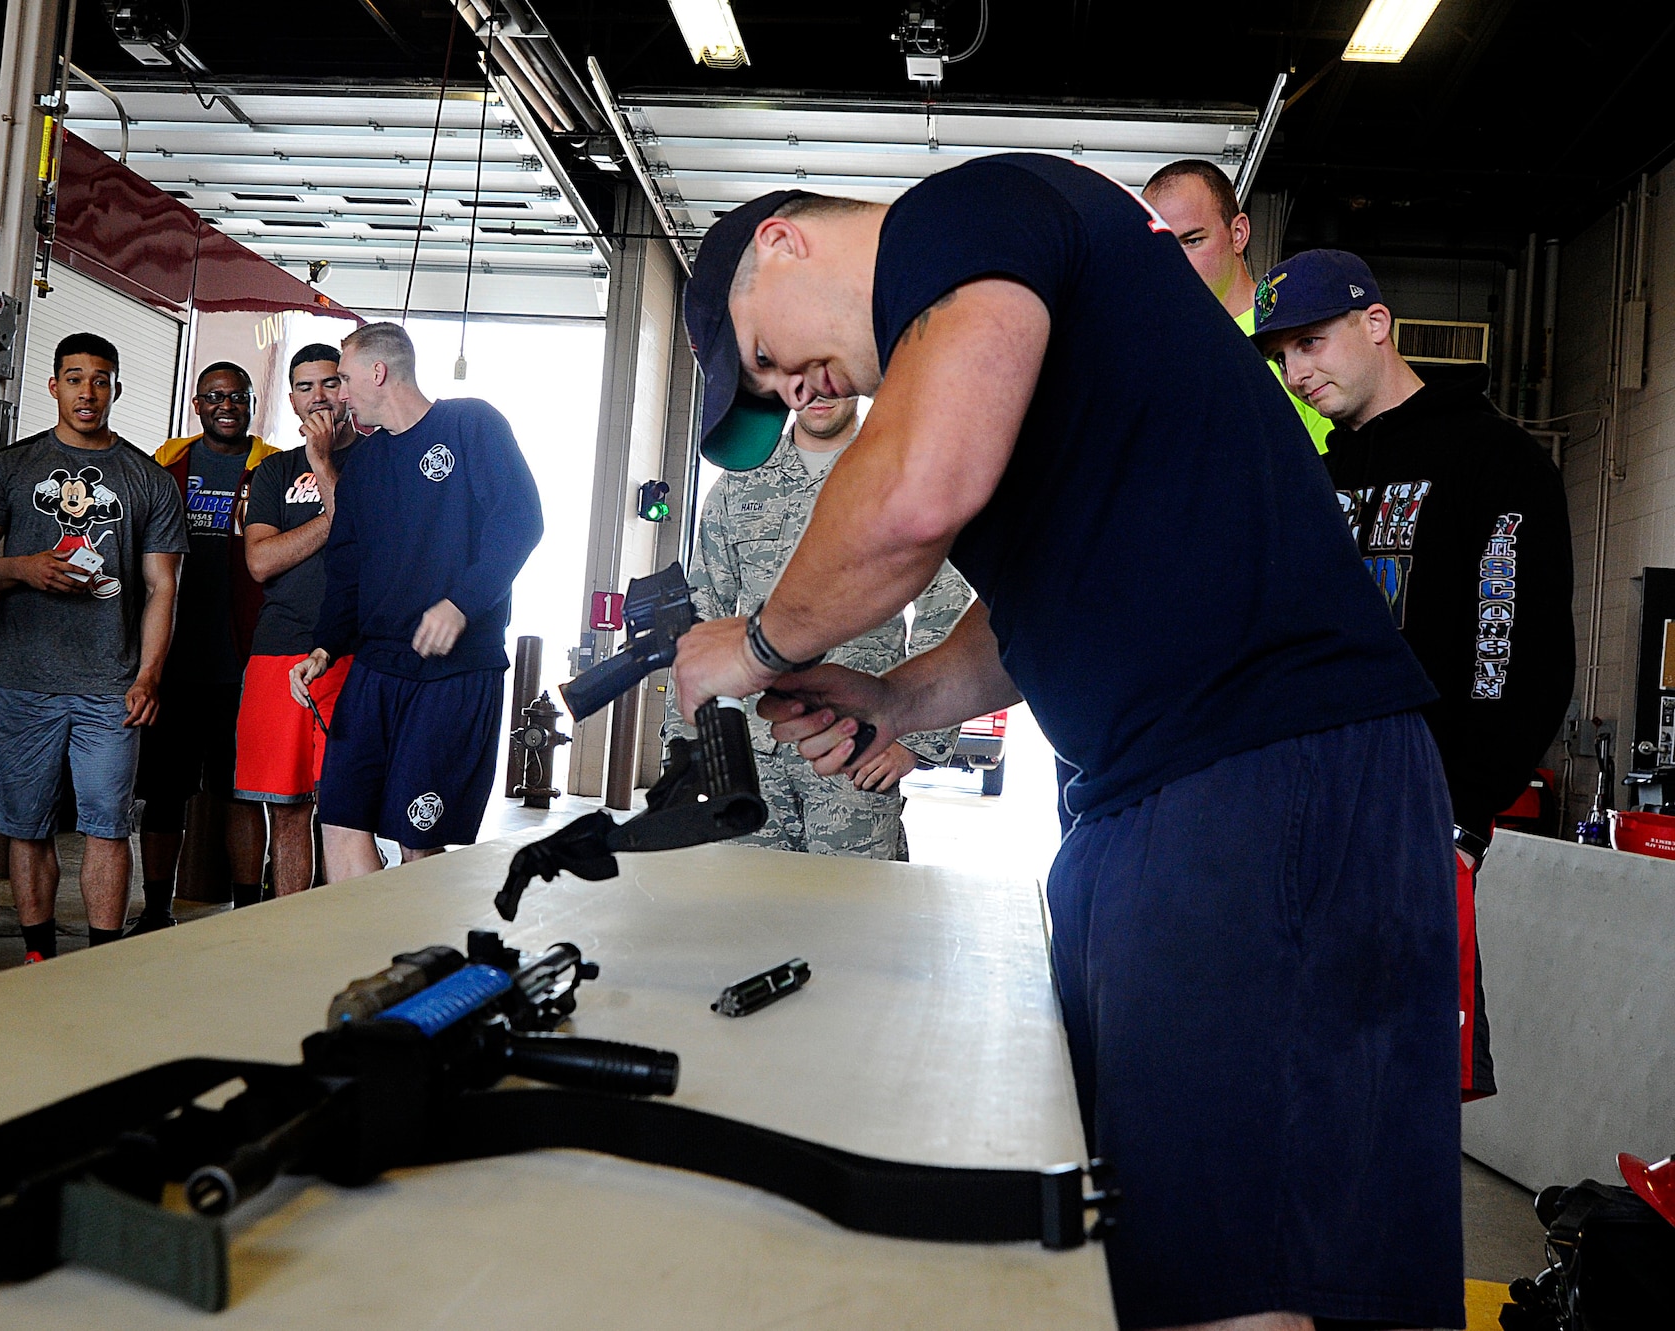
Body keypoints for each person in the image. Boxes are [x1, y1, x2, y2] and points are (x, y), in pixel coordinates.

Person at [668, 163, 1461, 1330]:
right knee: (1187, 1247)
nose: (796, 390)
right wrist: (888, 698)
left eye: (767, 358)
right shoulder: (1017, 362)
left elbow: (913, 498)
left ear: (782, 244)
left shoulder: (966, 213)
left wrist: (756, 643)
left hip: (1250, 769)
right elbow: (1022, 612)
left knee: (1226, 1277)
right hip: (1176, 792)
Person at [1253, 248, 1575, 1102]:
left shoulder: (1495, 461)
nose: (1296, 371)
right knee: (1299, 1080)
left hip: (1419, 827)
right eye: (1282, 355)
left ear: (1377, 323)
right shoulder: (1322, 479)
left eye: (1312, 343)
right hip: (1309, 818)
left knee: (1399, 1090)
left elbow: (1517, 655)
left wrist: (1463, 814)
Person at [0, 334, 185, 962]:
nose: (88, 391)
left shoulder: (148, 478)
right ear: (53, 386)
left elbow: (163, 585)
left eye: (101, 379)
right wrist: (25, 569)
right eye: (75, 377)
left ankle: (102, 961)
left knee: (108, 826)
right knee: (26, 825)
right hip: (25, 677)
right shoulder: (10, 467)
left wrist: (148, 676)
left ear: (115, 388)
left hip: (112, 684)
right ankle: (38, 956)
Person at [288, 323, 542, 878]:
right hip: (376, 672)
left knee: (415, 836)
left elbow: (521, 522)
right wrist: (325, 647)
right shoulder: (364, 468)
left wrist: (461, 604)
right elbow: (348, 568)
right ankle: (363, 956)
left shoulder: (471, 424)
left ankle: (415, 959)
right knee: (340, 815)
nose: (341, 395)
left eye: (346, 380)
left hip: (453, 675)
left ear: (378, 373)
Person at [669, 392, 969, 858]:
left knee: (853, 917)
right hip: (749, 759)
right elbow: (704, 613)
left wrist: (912, 741)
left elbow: (948, 606)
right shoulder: (739, 485)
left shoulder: (897, 477)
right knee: (741, 916)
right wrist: (688, 742)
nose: (819, 394)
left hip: (855, 753)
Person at [127, 363, 280, 931]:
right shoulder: (164, 466)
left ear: (251, 403)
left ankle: (245, 912)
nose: (226, 405)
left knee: (243, 793)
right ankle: (156, 910)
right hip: (171, 663)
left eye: (237, 396)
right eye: (215, 396)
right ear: (197, 404)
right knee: (163, 795)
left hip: (243, 663)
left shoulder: (275, 469)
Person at [235, 344, 362, 895]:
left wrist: (322, 465)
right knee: (286, 810)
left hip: (355, 652)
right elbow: (261, 561)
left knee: (344, 809)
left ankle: (341, 930)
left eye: (330, 383)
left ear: (350, 389)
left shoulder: (381, 460)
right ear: (290, 399)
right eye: (306, 387)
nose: (319, 397)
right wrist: (333, 519)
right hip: (278, 649)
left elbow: (365, 546)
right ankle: (290, 930)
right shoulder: (271, 471)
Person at [1141, 159, 1333, 452]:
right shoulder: (1150, 353)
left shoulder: (1297, 341)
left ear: (1238, 234)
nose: (1173, 263)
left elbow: (1334, 481)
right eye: (1160, 247)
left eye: (1192, 241)